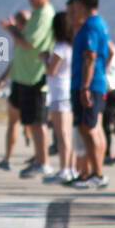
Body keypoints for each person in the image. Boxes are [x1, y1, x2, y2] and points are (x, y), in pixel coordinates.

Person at [0, 0, 55, 178]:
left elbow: (29, 43)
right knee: (30, 121)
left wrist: (11, 29)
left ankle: (43, 161)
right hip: (25, 77)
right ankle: (38, 159)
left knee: (38, 122)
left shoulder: (44, 14)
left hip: (35, 76)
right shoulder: (37, 15)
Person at [70, 0, 110, 191]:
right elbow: (108, 52)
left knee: (88, 128)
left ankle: (97, 173)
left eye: (76, 4)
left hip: (89, 83)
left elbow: (90, 57)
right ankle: (97, 172)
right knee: (94, 128)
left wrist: (85, 86)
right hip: (97, 82)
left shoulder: (90, 26)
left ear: (82, 4)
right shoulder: (101, 24)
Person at [0, 10, 30, 170]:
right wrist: (2, 78)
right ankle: (8, 157)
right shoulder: (23, 39)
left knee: (28, 124)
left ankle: (10, 157)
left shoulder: (22, 39)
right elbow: (14, 62)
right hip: (23, 83)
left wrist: (12, 29)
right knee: (23, 123)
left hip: (27, 83)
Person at [41, 11, 75, 183]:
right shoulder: (71, 46)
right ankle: (71, 168)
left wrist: (45, 59)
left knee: (62, 135)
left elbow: (52, 70)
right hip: (68, 92)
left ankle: (65, 169)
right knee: (69, 133)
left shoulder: (60, 47)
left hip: (59, 93)